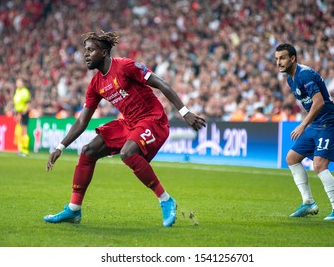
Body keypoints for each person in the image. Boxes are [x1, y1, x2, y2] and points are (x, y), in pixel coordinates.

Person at [43, 31, 206, 227]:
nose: (86, 55)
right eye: (85, 51)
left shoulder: (126, 66)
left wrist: (185, 112)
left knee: (128, 152)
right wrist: (60, 146)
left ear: (103, 52)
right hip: (129, 123)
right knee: (88, 151)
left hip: (153, 120)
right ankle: (74, 209)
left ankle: (166, 200)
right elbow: (82, 121)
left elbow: (162, 84)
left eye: (90, 50)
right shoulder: (95, 84)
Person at [275, 44, 334, 220]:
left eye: (282, 58)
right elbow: (310, 104)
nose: (279, 62)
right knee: (292, 158)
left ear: (293, 58)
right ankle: (308, 202)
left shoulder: (304, 74)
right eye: (276, 59)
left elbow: (319, 102)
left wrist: (302, 124)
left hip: (330, 123)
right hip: (316, 123)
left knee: (319, 165)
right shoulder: (290, 79)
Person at [13, 78, 31, 156]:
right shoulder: (17, 91)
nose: (18, 84)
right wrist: (16, 113)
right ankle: (20, 149)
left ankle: (25, 150)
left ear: (22, 84)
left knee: (24, 130)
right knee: (19, 131)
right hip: (18, 112)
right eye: (17, 83)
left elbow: (27, 104)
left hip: (23, 112)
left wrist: (22, 114)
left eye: (20, 83)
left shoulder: (25, 92)